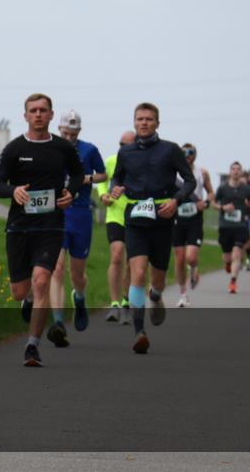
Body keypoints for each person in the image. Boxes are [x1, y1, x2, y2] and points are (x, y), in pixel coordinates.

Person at [0, 93, 83, 367]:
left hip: (50, 225)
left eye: (43, 110)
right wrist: (13, 190)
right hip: (19, 226)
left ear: (52, 115)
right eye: (33, 110)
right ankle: (26, 299)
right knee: (21, 291)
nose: (39, 114)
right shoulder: (15, 148)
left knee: (42, 280)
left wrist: (71, 192)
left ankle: (32, 346)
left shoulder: (63, 147)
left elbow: (77, 175)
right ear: (26, 116)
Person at [110, 102, 196, 354]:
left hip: (162, 217)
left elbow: (189, 181)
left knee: (157, 277)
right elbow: (118, 176)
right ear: (134, 122)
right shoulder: (126, 153)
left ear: (157, 123)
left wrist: (175, 200)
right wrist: (116, 187)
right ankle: (139, 331)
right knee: (137, 272)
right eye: (139, 119)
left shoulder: (170, 150)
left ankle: (156, 295)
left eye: (149, 119)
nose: (144, 123)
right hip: (135, 218)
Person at [49, 110, 106, 345]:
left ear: (79, 132)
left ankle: (80, 297)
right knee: (57, 269)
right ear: (59, 130)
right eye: (65, 133)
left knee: (77, 274)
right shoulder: (50, 148)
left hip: (81, 213)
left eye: (73, 133)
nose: (69, 137)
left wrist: (85, 179)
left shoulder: (89, 150)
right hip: (56, 212)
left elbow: (103, 175)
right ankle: (59, 321)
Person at [96, 131, 136, 323]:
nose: (123, 149)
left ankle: (127, 300)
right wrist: (104, 196)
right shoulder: (112, 161)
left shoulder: (142, 163)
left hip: (136, 215)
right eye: (121, 145)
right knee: (117, 254)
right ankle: (114, 304)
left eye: (128, 145)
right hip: (115, 214)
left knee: (131, 263)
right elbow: (102, 181)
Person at [171, 143, 214, 307]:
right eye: (184, 152)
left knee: (191, 257)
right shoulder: (173, 173)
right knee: (180, 258)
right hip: (177, 218)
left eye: (191, 152)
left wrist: (207, 202)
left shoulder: (202, 172)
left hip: (195, 218)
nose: (188, 154)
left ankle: (194, 268)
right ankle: (183, 294)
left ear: (195, 155)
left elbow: (210, 192)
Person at [212, 162, 250, 294]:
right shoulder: (222, 188)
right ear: (230, 172)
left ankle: (233, 282)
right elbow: (214, 204)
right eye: (233, 169)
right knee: (227, 257)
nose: (236, 171)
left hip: (240, 226)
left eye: (238, 169)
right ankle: (228, 264)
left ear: (241, 172)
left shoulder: (246, 189)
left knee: (237, 253)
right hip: (225, 226)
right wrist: (223, 208)